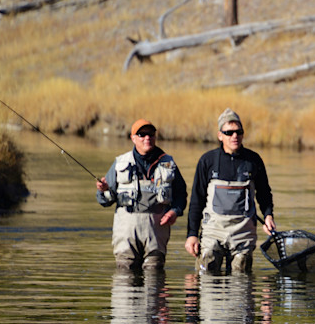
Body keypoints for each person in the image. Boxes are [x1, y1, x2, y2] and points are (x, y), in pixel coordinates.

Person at [184, 108, 276, 274]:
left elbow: (264, 193)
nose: (235, 136)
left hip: (243, 233)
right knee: (206, 273)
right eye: (229, 132)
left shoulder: (253, 160)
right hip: (213, 232)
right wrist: (192, 235)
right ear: (220, 135)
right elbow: (196, 200)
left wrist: (268, 215)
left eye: (239, 132)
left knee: (241, 280)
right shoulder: (207, 161)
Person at [96, 119, 187, 269]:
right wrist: (103, 190)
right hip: (126, 234)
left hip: (156, 233)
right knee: (125, 279)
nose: (147, 138)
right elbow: (105, 201)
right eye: (142, 134)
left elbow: (181, 194)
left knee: (154, 279)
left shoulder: (168, 163)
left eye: (150, 134)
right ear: (133, 138)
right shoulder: (120, 163)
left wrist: (174, 211)